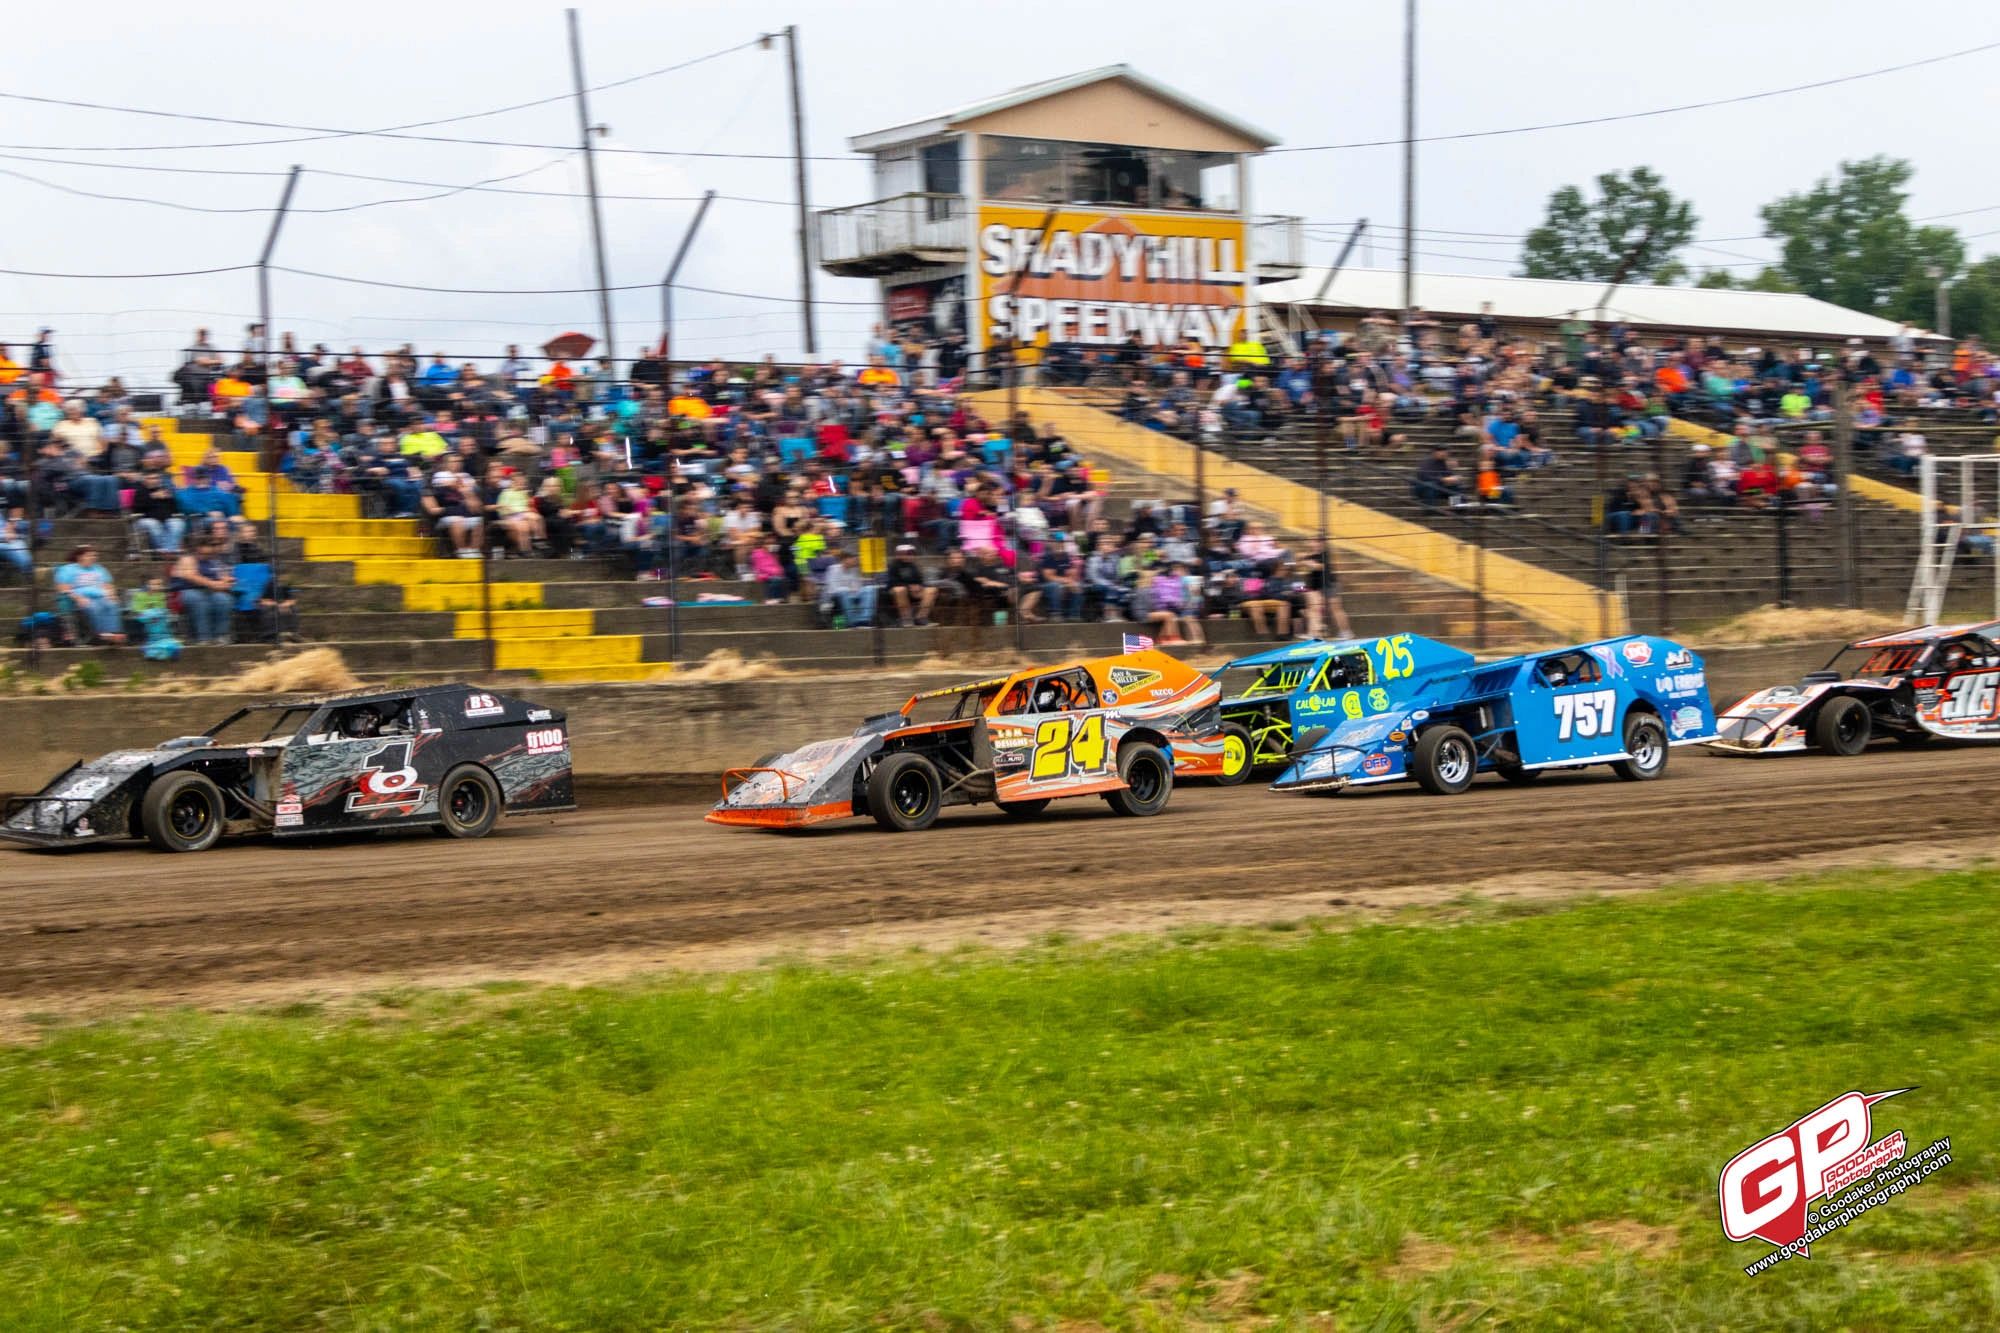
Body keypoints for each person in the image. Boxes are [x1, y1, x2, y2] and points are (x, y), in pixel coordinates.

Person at [54, 545, 125, 644]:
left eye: (94, 555)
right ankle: (102, 635)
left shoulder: (99, 569)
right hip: (80, 597)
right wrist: (78, 598)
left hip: (101, 595)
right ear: (80, 557)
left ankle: (113, 633)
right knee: (93, 606)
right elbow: (63, 588)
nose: (93, 558)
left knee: (112, 604)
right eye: (89, 555)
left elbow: (108, 586)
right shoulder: (67, 569)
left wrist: (112, 595)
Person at [171, 539, 236, 644]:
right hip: (185, 591)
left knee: (224, 600)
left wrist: (227, 581)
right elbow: (191, 576)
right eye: (203, 553)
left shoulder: (214, 561)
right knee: (199, 600)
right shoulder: (187, 559)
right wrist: (212, 584)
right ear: (196, 551)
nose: (205, 556)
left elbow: (223, 576)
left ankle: (220, 636)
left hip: (208, 591)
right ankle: (204, 638)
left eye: (209, 554)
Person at [883, 543, 936, 627]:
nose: (909, 556)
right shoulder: (893, 566)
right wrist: (908, 587)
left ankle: (921, 617)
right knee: (900, 589)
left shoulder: (914, 566)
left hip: (913, 591)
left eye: (910, 553)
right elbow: (892, 582)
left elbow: (920, 581)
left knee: (931, 590)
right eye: (906, 553)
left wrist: (919, 587)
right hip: (896, 591)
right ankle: (906, 619)